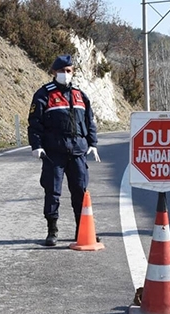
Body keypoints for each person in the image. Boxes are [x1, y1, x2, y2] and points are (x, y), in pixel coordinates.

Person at [27, 54, 101, 246]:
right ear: (54, 72)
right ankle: (52, 230)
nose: (65, 74)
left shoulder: (80, 94)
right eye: (61, 71)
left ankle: (82, 229)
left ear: (73, 72)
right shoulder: (44, 94)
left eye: (68, 71)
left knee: (80, 191)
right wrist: (36, 145)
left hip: (78, 152)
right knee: (52, 191)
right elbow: (35, 123)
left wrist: (93, 143)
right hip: (54, 153)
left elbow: (89, 121)